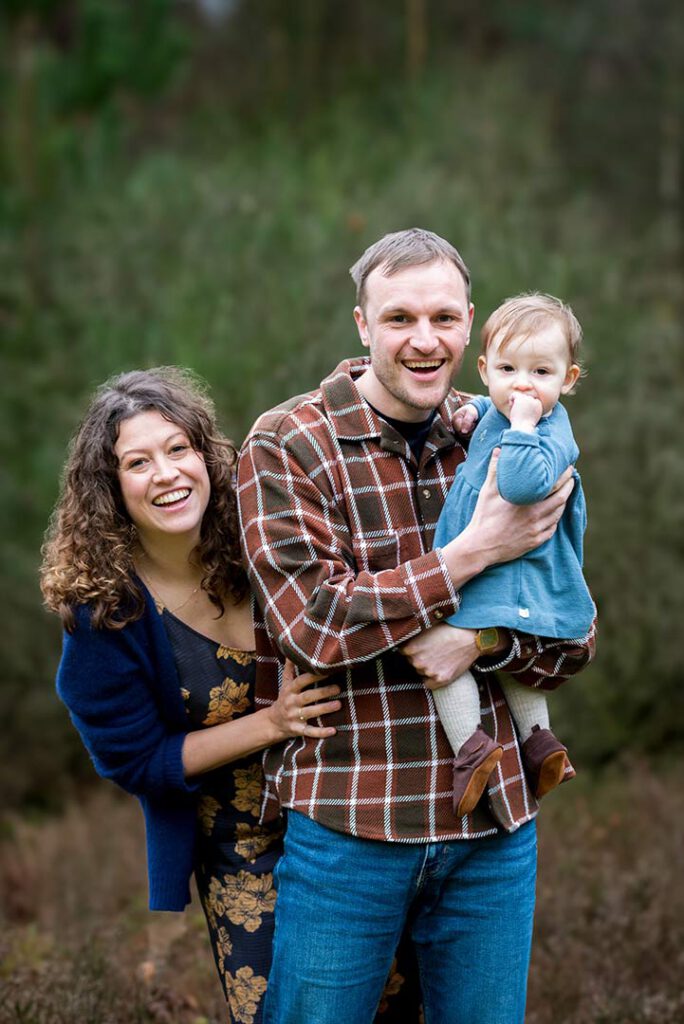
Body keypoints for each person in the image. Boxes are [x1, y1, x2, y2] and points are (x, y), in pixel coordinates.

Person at [238, 228, 596, 1024]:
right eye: (399, 317)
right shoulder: (289, 443)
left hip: (494, 835)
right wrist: (474, 554)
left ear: (471, 325)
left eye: (442, 317)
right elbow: (316, 627)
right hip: (351, 827)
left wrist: (482, 641)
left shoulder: (509, 431)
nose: (423, 339)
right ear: (362, 326)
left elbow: (573, 631)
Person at [40, 367, 417, 1024]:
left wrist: (351, 387)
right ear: (109, 487)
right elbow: (136, 761)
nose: (167, 474)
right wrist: (271, 723)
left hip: (351, 813)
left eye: (179, 449)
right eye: (138, 461)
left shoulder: (260, 530)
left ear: (204, 454)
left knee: (401, 1004)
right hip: (243, 850)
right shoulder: (104, 614)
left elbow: (330, 472)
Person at [432, 293, 596, 817]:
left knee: (446, 658)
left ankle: (471, 750)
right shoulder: (501, 409)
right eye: (507, 369)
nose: (522, 384)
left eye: (540, 372)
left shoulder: (547, 433)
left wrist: (522, 427)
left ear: (567, 379)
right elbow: (494, 411)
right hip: (499, 569)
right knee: (505, 666)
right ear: (485, 371)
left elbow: (522, 485)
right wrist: (476, 410)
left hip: (504, 573)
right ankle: (541, 741)